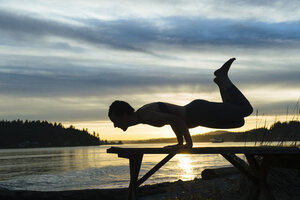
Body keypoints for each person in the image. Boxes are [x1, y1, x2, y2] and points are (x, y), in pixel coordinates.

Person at [108, 58, 253, 148]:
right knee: (238, 122)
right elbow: (172, 120)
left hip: (198, 112)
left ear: (124, 115)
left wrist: (188, 144)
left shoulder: (145, 114)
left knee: (246, 109)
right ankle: (221, 82)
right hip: (198, 117)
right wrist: (179, 143)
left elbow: (175, 119)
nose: (115, 125)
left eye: (115, 121)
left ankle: (222, 77)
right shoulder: (142, 116)